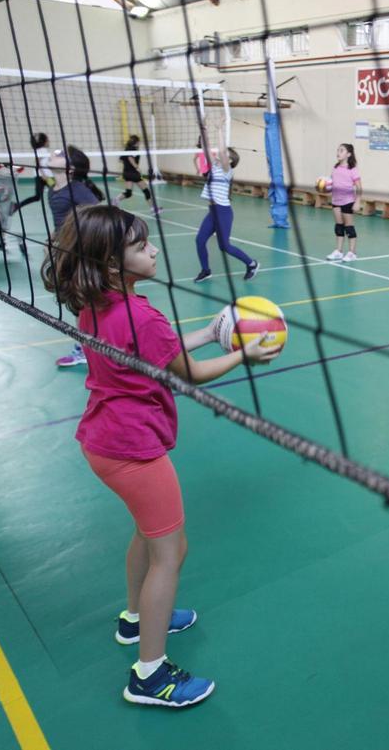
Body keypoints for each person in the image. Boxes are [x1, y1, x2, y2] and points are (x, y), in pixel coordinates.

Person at [40, 203, 281, 707]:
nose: (152, 249)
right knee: (172, 553)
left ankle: (135, 619)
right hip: (134, 450)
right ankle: (149, 676)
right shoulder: (140, 315)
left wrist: (213, 332)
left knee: (147, 535)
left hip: (103, 441)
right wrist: (243, 352)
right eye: (140, 244)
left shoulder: (99, 304)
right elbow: (186, 373)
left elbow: (157, 352)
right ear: (111, 264)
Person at [47, 146, 101, 368]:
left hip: (80, 252)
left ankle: (86, 348)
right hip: (64, 251)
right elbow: (61, 220)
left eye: (59, 154)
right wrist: (54, 240)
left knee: (83, 301)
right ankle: (89, 344)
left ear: (70, 168)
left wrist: (75, 242)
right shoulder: (54, 188)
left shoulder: (77, 190)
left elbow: (98, 216)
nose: (53, 154)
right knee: (77, 302)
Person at [194, 147, 259, 284]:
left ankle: (251, 263)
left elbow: (221, 146)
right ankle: (206, 271)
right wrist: (203, 127)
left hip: (223, 212)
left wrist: (219, 130)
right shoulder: (214, 167)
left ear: (229, 160)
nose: (220, 154)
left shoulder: (226, 170)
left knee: (225, 246)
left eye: (225, 154)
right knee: (200, 240)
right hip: (212, 212)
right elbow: (207, 148)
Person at [0, 131, 51, 253]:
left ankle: (17, 205)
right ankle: (17, 205)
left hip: (42, 176)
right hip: (45, 177)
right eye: (47, 139)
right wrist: (44, 175)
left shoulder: (41, 151)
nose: (49, 141)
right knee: (53, 192)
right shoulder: (43, 151)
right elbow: (39, 163)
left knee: (38, 196)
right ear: (44, 141)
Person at [324, 143, 363, 262]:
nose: (338, 153)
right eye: (338, 150)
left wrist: (357, 202)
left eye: (341, 150)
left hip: (348, 201)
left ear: (349, 154)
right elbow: (332, 184)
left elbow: (359, 187)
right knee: (339, 227)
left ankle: (352, 253)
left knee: (349, 227)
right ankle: (339, 251)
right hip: (336, 201)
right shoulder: (335, 167)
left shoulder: (352, 169)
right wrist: (324, 188)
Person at [114, 135, 161, 214]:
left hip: (126, 173)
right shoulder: (133, 149)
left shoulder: (126, 149)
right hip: (133, 173)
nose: (139, 143)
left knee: (129, 193)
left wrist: (128, 165)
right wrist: (136, 167)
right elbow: (130, 158)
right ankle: (153, 209)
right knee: (146, 191)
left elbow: (121, 160)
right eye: (139, 142)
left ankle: (116, 200)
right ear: (136, 142)